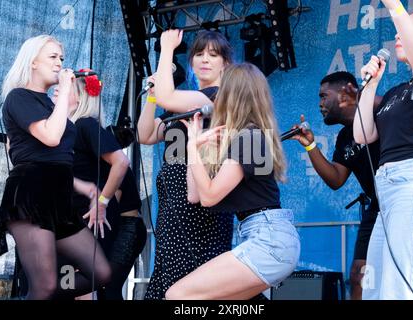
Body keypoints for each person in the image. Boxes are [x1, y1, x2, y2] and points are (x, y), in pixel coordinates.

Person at [165, 62, 300, 300]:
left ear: (231, 95)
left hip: (268, 240)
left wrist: (192, 148)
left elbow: (209, 198)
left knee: (178, 295)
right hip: (261, 237)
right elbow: (194, 195)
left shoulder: (250, 138)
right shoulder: (242, 137)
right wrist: (199, 147)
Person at [0, 35, 111, 299]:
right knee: (45, 285)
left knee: (100, 273)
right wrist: (62, 93)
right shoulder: (18, 97)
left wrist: (82, 186)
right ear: (33, 62)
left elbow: (58, 155)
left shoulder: (52, 104)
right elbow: (50, 136)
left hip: (59, 200)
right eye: (52, 57)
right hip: (31, 196)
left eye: (61, 58)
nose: (60, 62)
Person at [353, 2, 413, 299]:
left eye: (406, 31)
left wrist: (393, 4)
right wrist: (370, 85)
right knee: (375, 289)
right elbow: (362, 135)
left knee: (401, 288)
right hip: (387, 189)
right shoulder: (395, 92)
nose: (397, 36)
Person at [137, 29, 235, 299]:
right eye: (199, 54)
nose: (205, 59)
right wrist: (153, 95)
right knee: (169, 270)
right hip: (172, 201)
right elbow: (145, 135)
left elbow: (171, 98)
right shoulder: (183, 102)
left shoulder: (217, 98)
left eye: (213, 55)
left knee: (196, 274)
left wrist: (166, 48)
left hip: (199, 197)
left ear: (225, 64)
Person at [290, 71, 381, 300]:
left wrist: (361, 96)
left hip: (404, 198)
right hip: (377, 207)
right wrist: (311, 146)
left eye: (323, 96)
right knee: (359, 274)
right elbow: (336, 179)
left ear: (345, 92)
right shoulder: (343, 138)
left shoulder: (381, 113)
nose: (320, 104)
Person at [67, 74, 147, 300]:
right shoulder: (77, 132)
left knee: (107, 288)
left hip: (125, 226)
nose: (59, 91)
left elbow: (119, 175)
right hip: (108, 223)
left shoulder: (86, 125)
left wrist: (100, 203)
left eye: (67, 88)